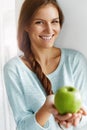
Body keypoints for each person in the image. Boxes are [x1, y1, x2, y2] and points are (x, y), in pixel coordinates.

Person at [3, 0, 87, 130]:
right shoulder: (14, 69)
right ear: (26, 25)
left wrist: (77, 118)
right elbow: (23, 127)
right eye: (39, 22)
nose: (49, 30)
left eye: (54, 21)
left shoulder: (75, 61)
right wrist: (46, 109)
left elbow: (84, 117)